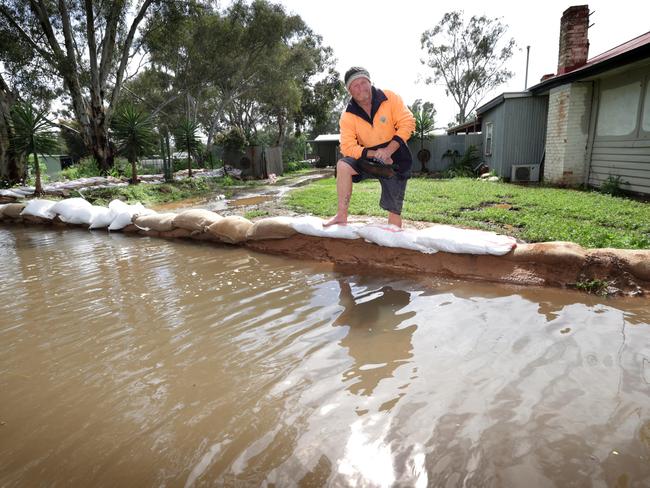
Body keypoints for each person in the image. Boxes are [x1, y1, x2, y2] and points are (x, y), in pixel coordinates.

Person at [324, 66, 416, 228]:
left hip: (396, 156)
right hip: (368, 158)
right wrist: (375, 154)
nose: (361, 88)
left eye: (363, 82)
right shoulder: (347, 115)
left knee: (394, 210)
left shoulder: (389, 97)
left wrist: (388, 151)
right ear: (349, 91)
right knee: (343, 166)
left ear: (370, 82)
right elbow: (347, 146)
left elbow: (407, 122)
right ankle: (341, 215)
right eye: (355, 85)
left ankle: (394, 234)